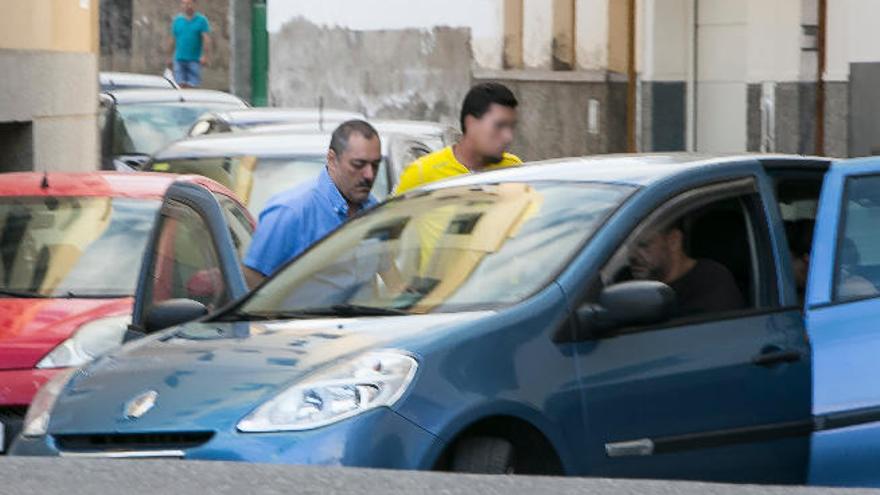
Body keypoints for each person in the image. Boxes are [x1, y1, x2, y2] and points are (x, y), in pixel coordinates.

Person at [242, 120, 382, 288]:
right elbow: (252, 277)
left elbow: (389, 273)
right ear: (332, 159)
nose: (369, 175)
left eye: (375, 165)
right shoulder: (290, 212)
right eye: (358, 164)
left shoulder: (374, 210)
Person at [394, 82, 522, 195]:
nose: (508, 137)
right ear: (470, 123)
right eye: (499, 126)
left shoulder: (513, 170)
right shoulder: (422, 173)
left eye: (512, 127)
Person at [629, 221, 745, 317]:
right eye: (629, 247)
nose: (632, 256)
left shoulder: (710, 280)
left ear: (673, 241)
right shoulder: (627, 280)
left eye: (643, 244)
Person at [167, 0, 211, 88]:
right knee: (179, 86)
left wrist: (205, 56)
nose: (187, 6)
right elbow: (172, 39)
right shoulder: (177, 21)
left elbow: (206, 39)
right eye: (184, 3)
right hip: (179, 59)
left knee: (192, 86)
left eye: (189, 3)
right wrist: (169, 57)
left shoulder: (202, 20)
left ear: (195, 4)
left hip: (194, 60)